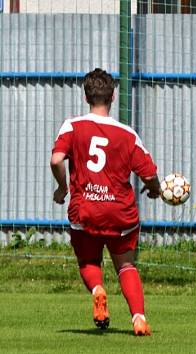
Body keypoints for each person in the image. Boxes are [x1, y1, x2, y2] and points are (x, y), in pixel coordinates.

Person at [50, 68, 161, 336]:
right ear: (113, 95)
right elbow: (148, 173)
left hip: (85, 209)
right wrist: (155, 189)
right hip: (119, 212)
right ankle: (138, 318)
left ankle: (98, 289)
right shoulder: (127, 134)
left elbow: (56, 160)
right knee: (125, 265)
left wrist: (62, 188)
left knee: (89, 262)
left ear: (86, 96)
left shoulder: (73, 126)